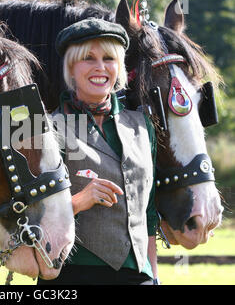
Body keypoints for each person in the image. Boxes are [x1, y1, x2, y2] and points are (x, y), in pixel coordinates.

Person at [38, 18, 159, 285]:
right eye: (88, 58)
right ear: (71, 66)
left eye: (109, 58)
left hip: (139, 275)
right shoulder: (47, 128)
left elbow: (148, 213)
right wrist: (79, 201)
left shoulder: (142, 126)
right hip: (72, 273)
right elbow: (31, 216)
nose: (100, 67)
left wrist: (154, 275)